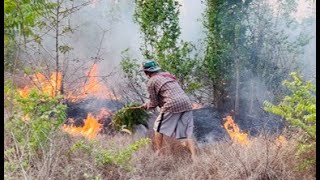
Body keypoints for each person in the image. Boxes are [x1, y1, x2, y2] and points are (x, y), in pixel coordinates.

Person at [140, 60, 198, 161]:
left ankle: (159, 152)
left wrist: (146, 106)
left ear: (146, 72)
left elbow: (154, 103)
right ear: (157, 68)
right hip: (186, 102)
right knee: (186, 133)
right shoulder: (167, 75)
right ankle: (194, 157)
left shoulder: (151, 82)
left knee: (157, 127)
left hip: (172, 104)